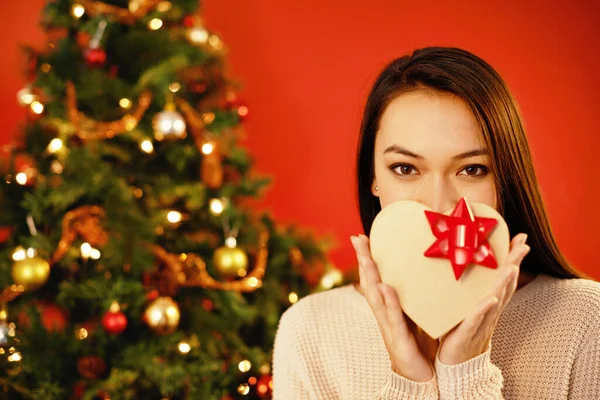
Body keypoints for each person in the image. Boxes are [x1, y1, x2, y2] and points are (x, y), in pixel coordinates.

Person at [271, 46, 600, 399]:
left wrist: (466, 371)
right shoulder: (310, 330)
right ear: (374, 177)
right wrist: (408, 380)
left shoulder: (585, 320)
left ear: (504, 179)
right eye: (406, 169)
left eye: (471, 170)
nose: (438, 204)